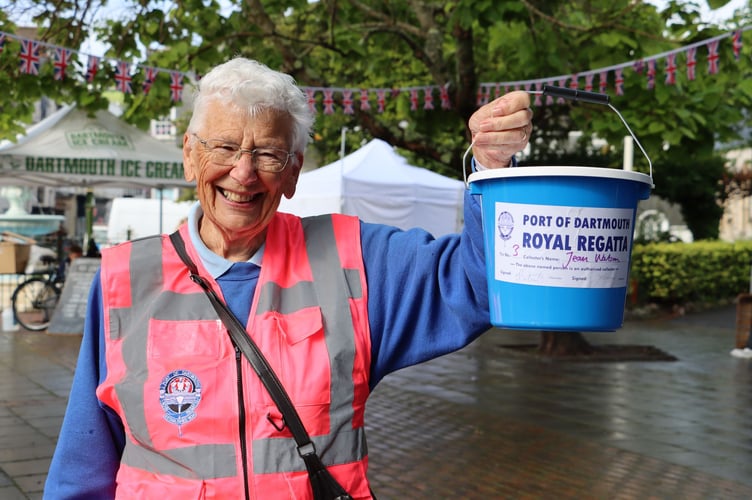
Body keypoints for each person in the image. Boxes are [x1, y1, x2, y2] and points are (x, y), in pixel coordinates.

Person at [44, 57, 532, 499]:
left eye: (269, 154)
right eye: (224, 147)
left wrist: (492, 171)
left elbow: (482, 283)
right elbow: (84, 464)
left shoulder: (355, 262)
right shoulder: (123, 278)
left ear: (294, 172)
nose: (244, 172)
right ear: (190, 155)